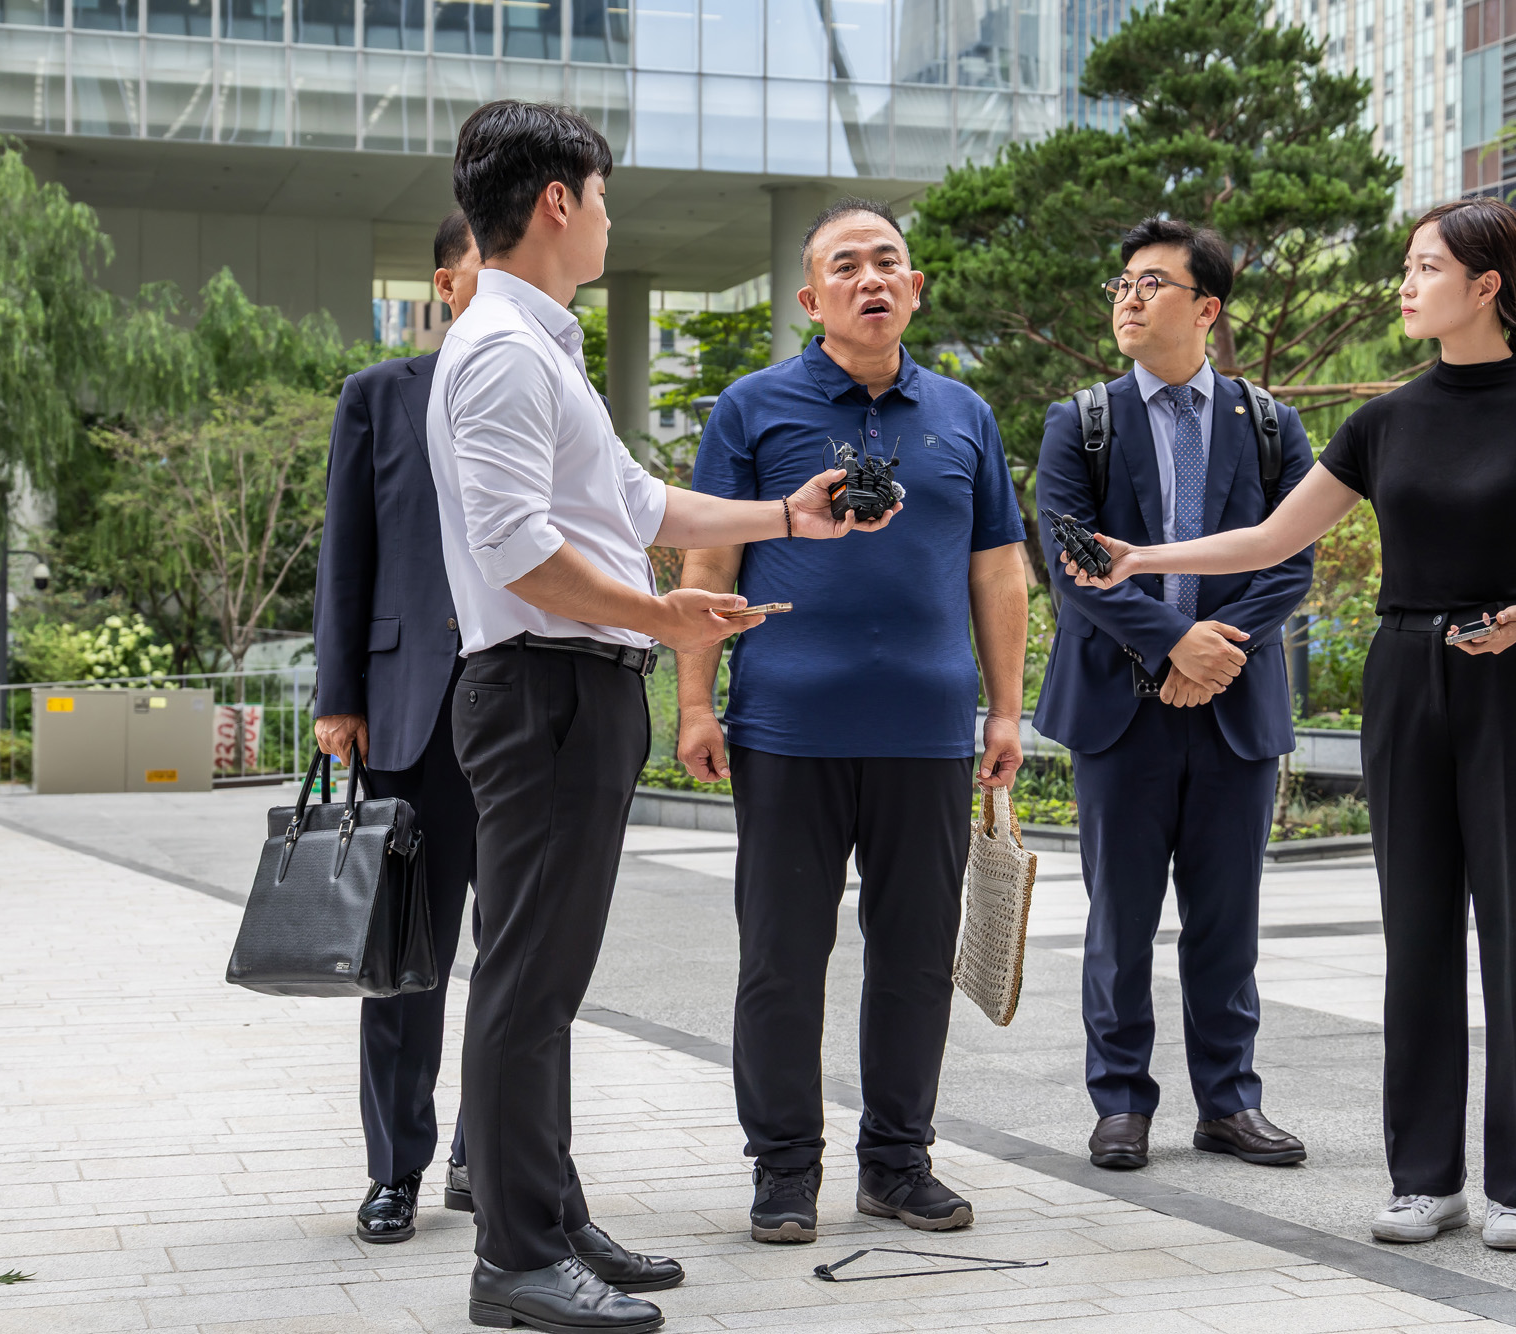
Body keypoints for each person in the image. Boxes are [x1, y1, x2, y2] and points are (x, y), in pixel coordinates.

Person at [1063, 197, 1516, 1253]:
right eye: (1405, 268)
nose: (1404, 286)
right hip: (1403, 673)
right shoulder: (1383, 419)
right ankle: (1424, 1178)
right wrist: (1143, 559)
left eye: (1422, 268)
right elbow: (1271, 536)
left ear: (1484, 285)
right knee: (1414, 935)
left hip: (1515, 676)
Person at [431, 101, 897, 1334]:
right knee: (526, 978)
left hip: (568, 689)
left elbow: (628, 496)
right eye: (602, 196)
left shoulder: (538, 342)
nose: (605, 217)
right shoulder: (498, 350)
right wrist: (660, 618)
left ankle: (549, 1208)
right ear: (556, 204)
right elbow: (518, 549)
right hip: (541, 687)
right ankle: (514, 1256)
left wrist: (783, 521)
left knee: (547, 975)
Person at [678, 198, 1028, 1246]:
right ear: (810, 298)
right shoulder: (751, 406)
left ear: (914, 288)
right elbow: (707, 562)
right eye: (846, 266)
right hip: (784, 723)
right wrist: (696, 700)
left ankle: (896, 1160)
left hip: (926, 726)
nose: (869, 279)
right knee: (782, 954)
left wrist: (1005, 707)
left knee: (915, 953)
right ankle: (782, 1168)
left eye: (888, 263)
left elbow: (997, 569)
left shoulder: (963, 413)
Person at [1034, 219, 1314, 1175]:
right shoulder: (1083, 421)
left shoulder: (1269, 423)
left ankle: (1230, 1104)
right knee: (1120, 918)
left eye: (1151, 283)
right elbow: (1070, 567)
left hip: (1235, 706)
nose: (1127, 298)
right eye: (1121, 284)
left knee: (1228, 921)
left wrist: (1216, 653)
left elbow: (1292, 555)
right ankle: (1120, 1104)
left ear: (1206, 308)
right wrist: (1175, 645)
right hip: (1121, 709)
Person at [313, 210, 487, 1245]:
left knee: (515, 954)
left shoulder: (557, 388)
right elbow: (349, 548)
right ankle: (397, 1168)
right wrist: (339, 695)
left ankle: (487, 1146)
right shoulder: (381, 396)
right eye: (486, 269)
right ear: (447, 283)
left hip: (524, 714)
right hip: (407, 713)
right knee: (404, 957)